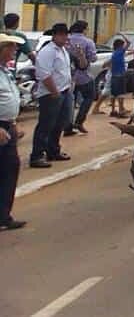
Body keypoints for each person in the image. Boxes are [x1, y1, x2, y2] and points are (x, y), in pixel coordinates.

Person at [29, 23, 74, 168]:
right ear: (54, 35)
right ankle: (37, 155)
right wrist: (54, 92)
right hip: (51, 93)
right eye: (61, 34)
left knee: (60, 122)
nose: (64, 37)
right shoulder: (48, 51)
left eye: (66, 34)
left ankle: (53, 150)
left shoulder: (63, 51)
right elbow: (43, 73)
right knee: (46, 124)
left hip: (64, 90)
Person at [0, 33, 27, 230]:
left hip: (7, 126)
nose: (15, 51)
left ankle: (3, 216)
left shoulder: (5, 71)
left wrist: (13, 122)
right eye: (11, 47)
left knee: (10, 169)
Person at [63, 20, 97, 137]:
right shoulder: (88, 42)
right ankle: (79, 121)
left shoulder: (67, 40)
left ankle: (67, 125)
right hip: (84, 76)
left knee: (69, 101)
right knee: (89, 96)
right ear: (84, 29)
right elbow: (93, 58)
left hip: (68, 76)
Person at [109, 37, 131, 117]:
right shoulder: (120, 51)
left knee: (113, 94)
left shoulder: (114, 53)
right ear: (120, 46)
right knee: (121, 94)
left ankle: (113, 110)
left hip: (114, 75)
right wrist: (123, 35)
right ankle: (121, 111)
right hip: (120, 75)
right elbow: (129, 42)